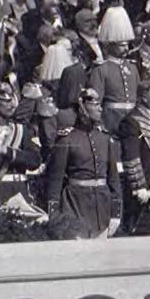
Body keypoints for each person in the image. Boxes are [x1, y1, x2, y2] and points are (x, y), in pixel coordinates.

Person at [38, 99, 121, 238]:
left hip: (103, 208)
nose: (100, 109)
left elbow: (114, 179)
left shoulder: (105, 140)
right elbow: (55, 180)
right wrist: (54, 215)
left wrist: (116, 214)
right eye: (95, 105)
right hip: (75, 205)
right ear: (83, 110)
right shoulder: (66, 140)